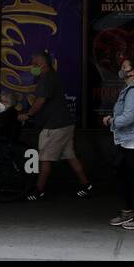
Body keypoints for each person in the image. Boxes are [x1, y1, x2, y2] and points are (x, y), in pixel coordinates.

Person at [20, 50, 92, 201]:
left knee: (45, 158)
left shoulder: (46, 79)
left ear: (42, 64)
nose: (31, 67)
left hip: (54, 126)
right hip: (66, 124)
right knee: (70, 156)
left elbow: (40, 101)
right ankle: (86, 185)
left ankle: (38, 191)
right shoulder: (53, 76)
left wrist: (28, 115)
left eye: (33, 64)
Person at [103, 56, 134, 230]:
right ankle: (128, 211)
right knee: (121, 173)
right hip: (127, 141)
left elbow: (128, 117)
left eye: (125, 67)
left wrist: (111, 121)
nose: (121, 70)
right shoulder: (128, 89)